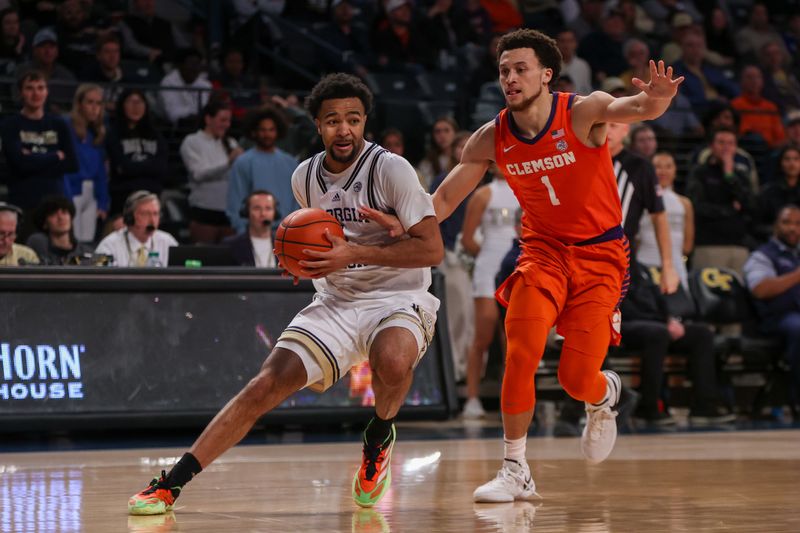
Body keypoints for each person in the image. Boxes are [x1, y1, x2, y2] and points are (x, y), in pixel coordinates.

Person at [127, 73, 444, 515]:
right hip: (336, 302)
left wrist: (354, 251)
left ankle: (379, 436)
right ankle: (171, 483)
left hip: (397, 297)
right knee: (264, 386)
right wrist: (298, 258)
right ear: (317, 124)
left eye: (353, 119)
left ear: (364, 122)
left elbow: (432, 248)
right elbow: (312, 241)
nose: (344, 129)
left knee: (391, 360)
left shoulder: (390, 168)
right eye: (333, 120)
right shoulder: (304, 178)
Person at [413, 28, 683, 502]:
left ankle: (603, 396)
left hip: (601, 257)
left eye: (520, 69)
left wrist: (657, 100)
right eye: (504, 71)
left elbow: (636, 109)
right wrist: (396, 229)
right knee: (521, 346)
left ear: (546, 74)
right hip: (543, 253)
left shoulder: (583, 111)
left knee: (574, 379)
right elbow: (443, 199)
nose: (511, 79)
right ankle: (515, 468)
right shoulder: (491, 137)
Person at [461, 168, 519, 419]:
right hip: (488, 270)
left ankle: (514, 400)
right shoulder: (484, 194)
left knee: (513, 340)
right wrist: (487, 259)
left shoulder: (528, 189)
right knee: (482, 336)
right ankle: (472, 399)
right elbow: (467, 240)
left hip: (518, 268)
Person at [0, 70, 77, 239]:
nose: (36, 93)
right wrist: (55, 156)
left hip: (55, 204)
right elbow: (20, 163)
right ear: (21, 92)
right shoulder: (10, 125)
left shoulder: (59, 124)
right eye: (30, 88)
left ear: (47, 91)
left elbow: (72, 163)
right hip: (23, 202)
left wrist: (31, 159)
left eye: (41, 88)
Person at [744, 205, 800, 412]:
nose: (792, 228)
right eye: (787, 223)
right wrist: (796, 275)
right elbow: (760, 289)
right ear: (777, 226)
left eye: (797, 224)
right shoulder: (763, 255)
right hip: (776, 319)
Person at [226, 107, 298, 234]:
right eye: (263, 130)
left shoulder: (291, 163)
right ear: (254, 132)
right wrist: (244, 232)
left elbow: (296, 202)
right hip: (252, 233)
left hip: (286, 235)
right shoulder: (243, 162)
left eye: (271, 130)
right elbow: (235, 202)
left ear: (278, 132)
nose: (267, 135)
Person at [180, 99, 243, 244]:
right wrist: (228, 163)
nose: (226, 124)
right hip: (204, 212)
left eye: (229, 121)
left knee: (229, 262)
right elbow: (198, 174)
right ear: (208, 119)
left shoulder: (231, 142)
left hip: (229, 214)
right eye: (222, 120)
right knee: (203, 259)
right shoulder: (192, 142)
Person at [106, 88, 169, 216]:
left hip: (151, 196)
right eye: (131, 102)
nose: (136, 106)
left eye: (139, 102)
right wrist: (148, 167)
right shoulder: (113, 134)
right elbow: (121, 167)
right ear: (122, 105)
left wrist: (132, 168)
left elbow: (162, 167)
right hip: (123, 198)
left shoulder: (156, 135)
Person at [638, 152, 694, 289]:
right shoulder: (639, 199)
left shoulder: (685, 203)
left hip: (675, 266)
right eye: (658, 166)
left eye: (668, 166)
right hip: (643, 264)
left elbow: (688, 246)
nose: (663, 171)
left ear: (675, 170)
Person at [62, 83, 110, 242]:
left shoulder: (96, 133)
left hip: (92, 195)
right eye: (90, 102)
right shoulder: (66, 128)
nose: (94, 108)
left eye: (98, 103)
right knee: (72, 240)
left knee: (87, 243)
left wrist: (103, 202)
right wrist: (66, 198)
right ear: (79, 104)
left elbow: (101, 173)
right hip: (72, 192)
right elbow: (62, 169)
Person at [95, 190, 177, 267]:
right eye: (145, 214)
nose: (152, 220)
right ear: (130, 217)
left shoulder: (168, 242)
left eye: (155, 214)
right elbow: (98, 278)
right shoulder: (109, 246)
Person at [26, 194, 94, 265]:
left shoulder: (87, 252)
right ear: (45, 223)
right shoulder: (38, 245)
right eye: (53, 214)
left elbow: (103, 267)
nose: (60, 217)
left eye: (64, 212)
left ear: (71, 218)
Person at [223, 190, 277, 267]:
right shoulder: (230, 245)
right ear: (247, 212)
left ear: (275, 213)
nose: (263, 214)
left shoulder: (285, 245)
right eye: (257, 208)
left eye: (268, 208)